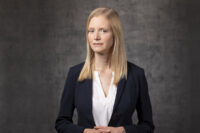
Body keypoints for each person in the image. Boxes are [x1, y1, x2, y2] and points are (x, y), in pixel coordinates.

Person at [55, 7, 155, 133]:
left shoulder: (136, 75)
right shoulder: (75, 74)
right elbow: (62, 123)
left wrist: (122, 131)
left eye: (103, 30)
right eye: (91, 31)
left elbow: (147, 126)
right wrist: (84, 132)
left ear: (115, 34)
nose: (96, 37)